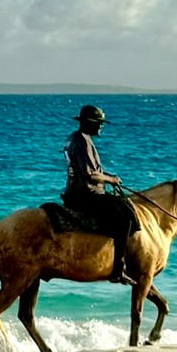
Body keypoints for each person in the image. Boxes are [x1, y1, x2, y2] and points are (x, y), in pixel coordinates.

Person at [62, 104, 140, 284]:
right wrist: (111, 179)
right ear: (89, 123)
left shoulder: (75, 138)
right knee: (125, 220)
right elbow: (90, 174)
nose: (101, 126)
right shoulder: (82, 142)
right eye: (99, 123)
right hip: (87, 194)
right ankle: (118, 269)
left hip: (76, 190)